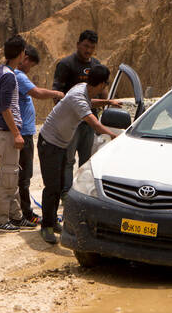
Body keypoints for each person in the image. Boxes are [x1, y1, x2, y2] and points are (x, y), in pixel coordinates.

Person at [38, 64, 119, 245]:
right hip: (49, 143)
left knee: (58, 186)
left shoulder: (83, 89)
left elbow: (91, 104)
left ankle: (51, 222)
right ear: (101, 84)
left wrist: (108, 102)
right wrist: (115, 137)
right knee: (52, 188)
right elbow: (94, 123)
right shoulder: (78, 97)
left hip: (59, 144)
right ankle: (46, 226)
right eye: (105, 85)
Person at [16, 45, 64, 228]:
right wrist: (57, 93)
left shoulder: (18, 75)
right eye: (30, 65)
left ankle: (23, 211)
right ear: (24, 58)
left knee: (24, 176)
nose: (29, 69)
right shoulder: (19, 76)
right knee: (24, 177)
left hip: (26, 133)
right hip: (24, 134)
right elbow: (36, 92)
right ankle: (25, 213)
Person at [53, 30, 101, 195]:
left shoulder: (96, 65)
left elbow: (103, 91)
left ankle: (83, 192)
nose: (88, 50)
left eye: (92, 47)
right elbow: (57, 94)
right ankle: (66, 193)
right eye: (86, 46)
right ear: (78, 44)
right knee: (68, 160)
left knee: (87, 160)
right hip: (71, 123)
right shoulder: (66, 64)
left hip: (89, 121)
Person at [0, 36, 27, 232]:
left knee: (11, 176)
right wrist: (16, 134)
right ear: (21, 53)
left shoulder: (0, 72)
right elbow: (6, 108)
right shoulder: (8, 76)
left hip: (5, 133)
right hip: (7, 133)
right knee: (8, 179)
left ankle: (15, 216)